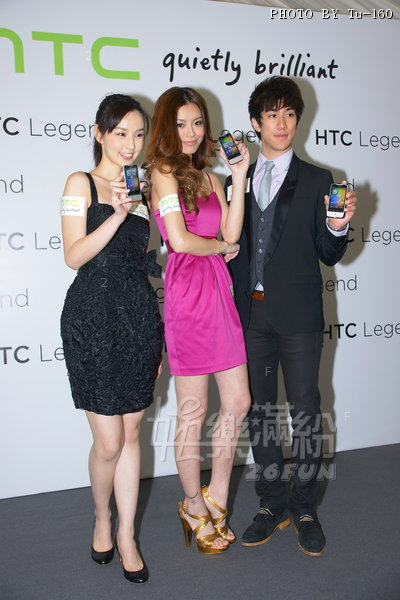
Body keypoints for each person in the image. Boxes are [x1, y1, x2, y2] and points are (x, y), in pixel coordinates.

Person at [225, 76, 357, 556]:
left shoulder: (320, 180)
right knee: (259, 412)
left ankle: (304, 507)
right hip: (251, 315)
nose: (282, 124)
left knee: (304, 411)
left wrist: (337, 226)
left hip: (299, 316)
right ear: (255, 122)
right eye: (272, 115)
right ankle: (271, 502)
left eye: (289, 114)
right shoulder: (234, 180)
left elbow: (328, 253)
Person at [60, 93, 163, 583]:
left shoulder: (141, 189)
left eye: (139, 134)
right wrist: (119, 214)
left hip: (138, 319)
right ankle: (102, 516)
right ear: (99, 133)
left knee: (132, 432)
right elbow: (73, 255)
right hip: (91, 319)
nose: (131, 143)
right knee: (108, 442)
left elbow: (142, 264)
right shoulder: (79, 183)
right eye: (121, 132)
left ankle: (126, 534)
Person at [145, 87, 251, 554]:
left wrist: (238, 178)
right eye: (181, 124)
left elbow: (231, 231)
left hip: (218, 292)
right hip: (188, 292)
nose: (190, 133)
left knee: (239, 401)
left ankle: (217, 496)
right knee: (193, 409)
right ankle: (191, 503)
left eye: (197, 123)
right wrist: (223, 248)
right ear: (166, 128)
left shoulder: (208, 176)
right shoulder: (162, 173)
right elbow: (181, 241)